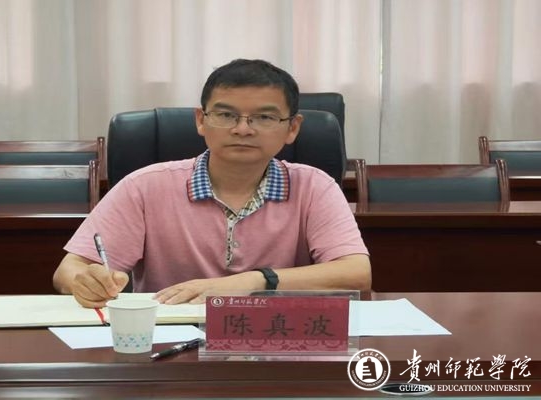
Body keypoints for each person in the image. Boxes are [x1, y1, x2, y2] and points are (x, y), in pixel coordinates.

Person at [53, 58, 371, 307]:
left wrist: (255, 281)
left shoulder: (315, 187)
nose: (243, 129)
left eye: (264, 117)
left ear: (292, 128)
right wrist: (87, 281)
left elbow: (356, 273)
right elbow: (70, 268)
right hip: (168, 342)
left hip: (278, 339)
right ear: (201, 121)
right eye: (226, 115)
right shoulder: (145, 187)